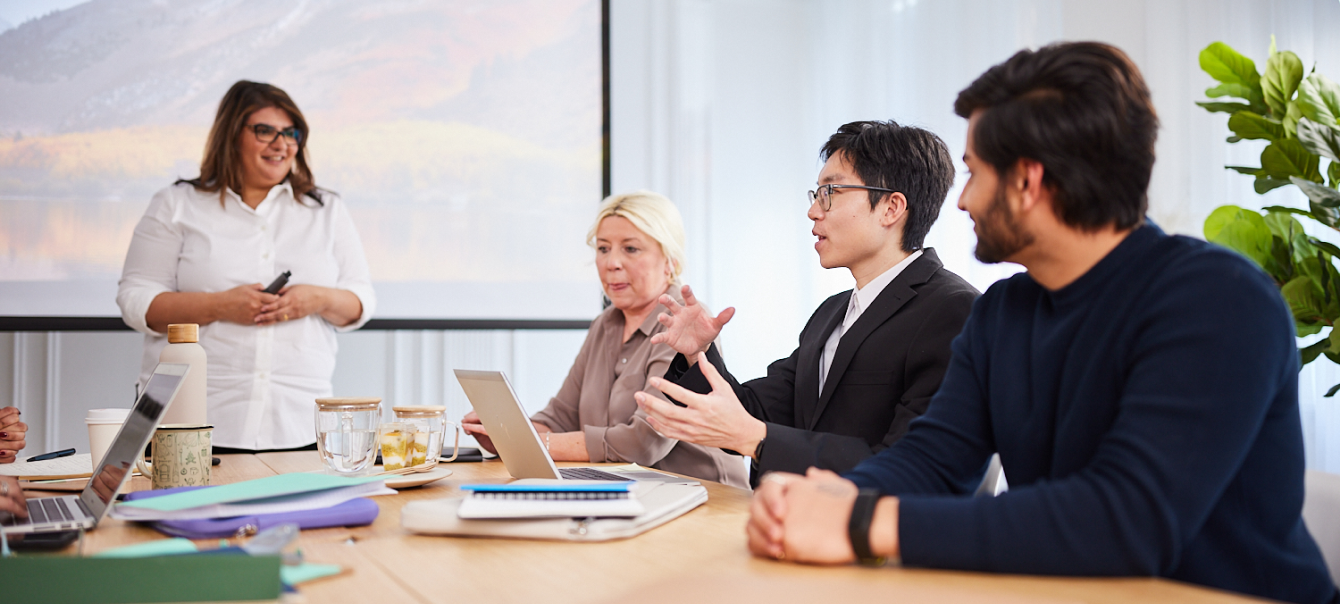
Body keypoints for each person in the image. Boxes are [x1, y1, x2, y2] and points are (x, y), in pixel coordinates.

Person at [744, 43, 1338, 604]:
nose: (961, 202)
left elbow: (1126, 520)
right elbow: (932, 461)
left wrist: (862, 520)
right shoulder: (1003, 312)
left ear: (1027, 181)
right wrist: (832, 495)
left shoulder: (1219, 301)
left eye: (975, 174)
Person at [636, 121, 978, 487]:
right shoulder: (832, 312)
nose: (814, 211)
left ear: (891, 208)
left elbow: (912, 466)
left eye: (830, 192)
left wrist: (756, 438)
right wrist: (698, 352)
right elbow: (754, 412)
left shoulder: (954, 311)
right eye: (815, 194)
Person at [117, 80, 376, 453]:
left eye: (291, 133)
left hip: (300, 425)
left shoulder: (327, 210)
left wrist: (317, 299)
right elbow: (135, 302)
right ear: (231, 135)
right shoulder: (175, 204)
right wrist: (221, 306)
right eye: (265, 131)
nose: (281, 144)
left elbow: (361, 301)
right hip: (186, 425)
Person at [462, 192, 748, 488]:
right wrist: (507, 433)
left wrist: (536, 443)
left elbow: (643, 442)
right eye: (603, 248)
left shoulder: (683, 323)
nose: (612, 263)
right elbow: (561, 417)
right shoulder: (605, 324)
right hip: (637, 492)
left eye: (631, 249)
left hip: (708, 497)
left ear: (670, 261)